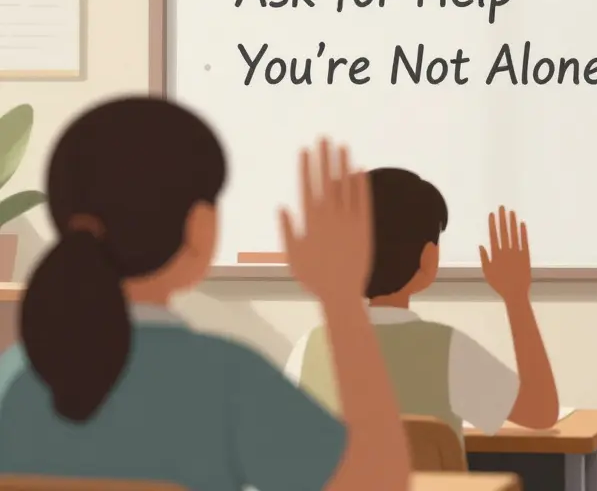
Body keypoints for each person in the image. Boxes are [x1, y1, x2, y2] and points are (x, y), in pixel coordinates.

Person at [0, 97, 411, 491]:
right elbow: (376, 484)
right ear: (200, 227)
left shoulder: (12, 376)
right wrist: (340, 298)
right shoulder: (227, 380)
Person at [286, 168, 558, 443]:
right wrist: (516, 297)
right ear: (428, 258)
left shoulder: (306, 350)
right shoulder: (447, 350)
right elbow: (541, 411)